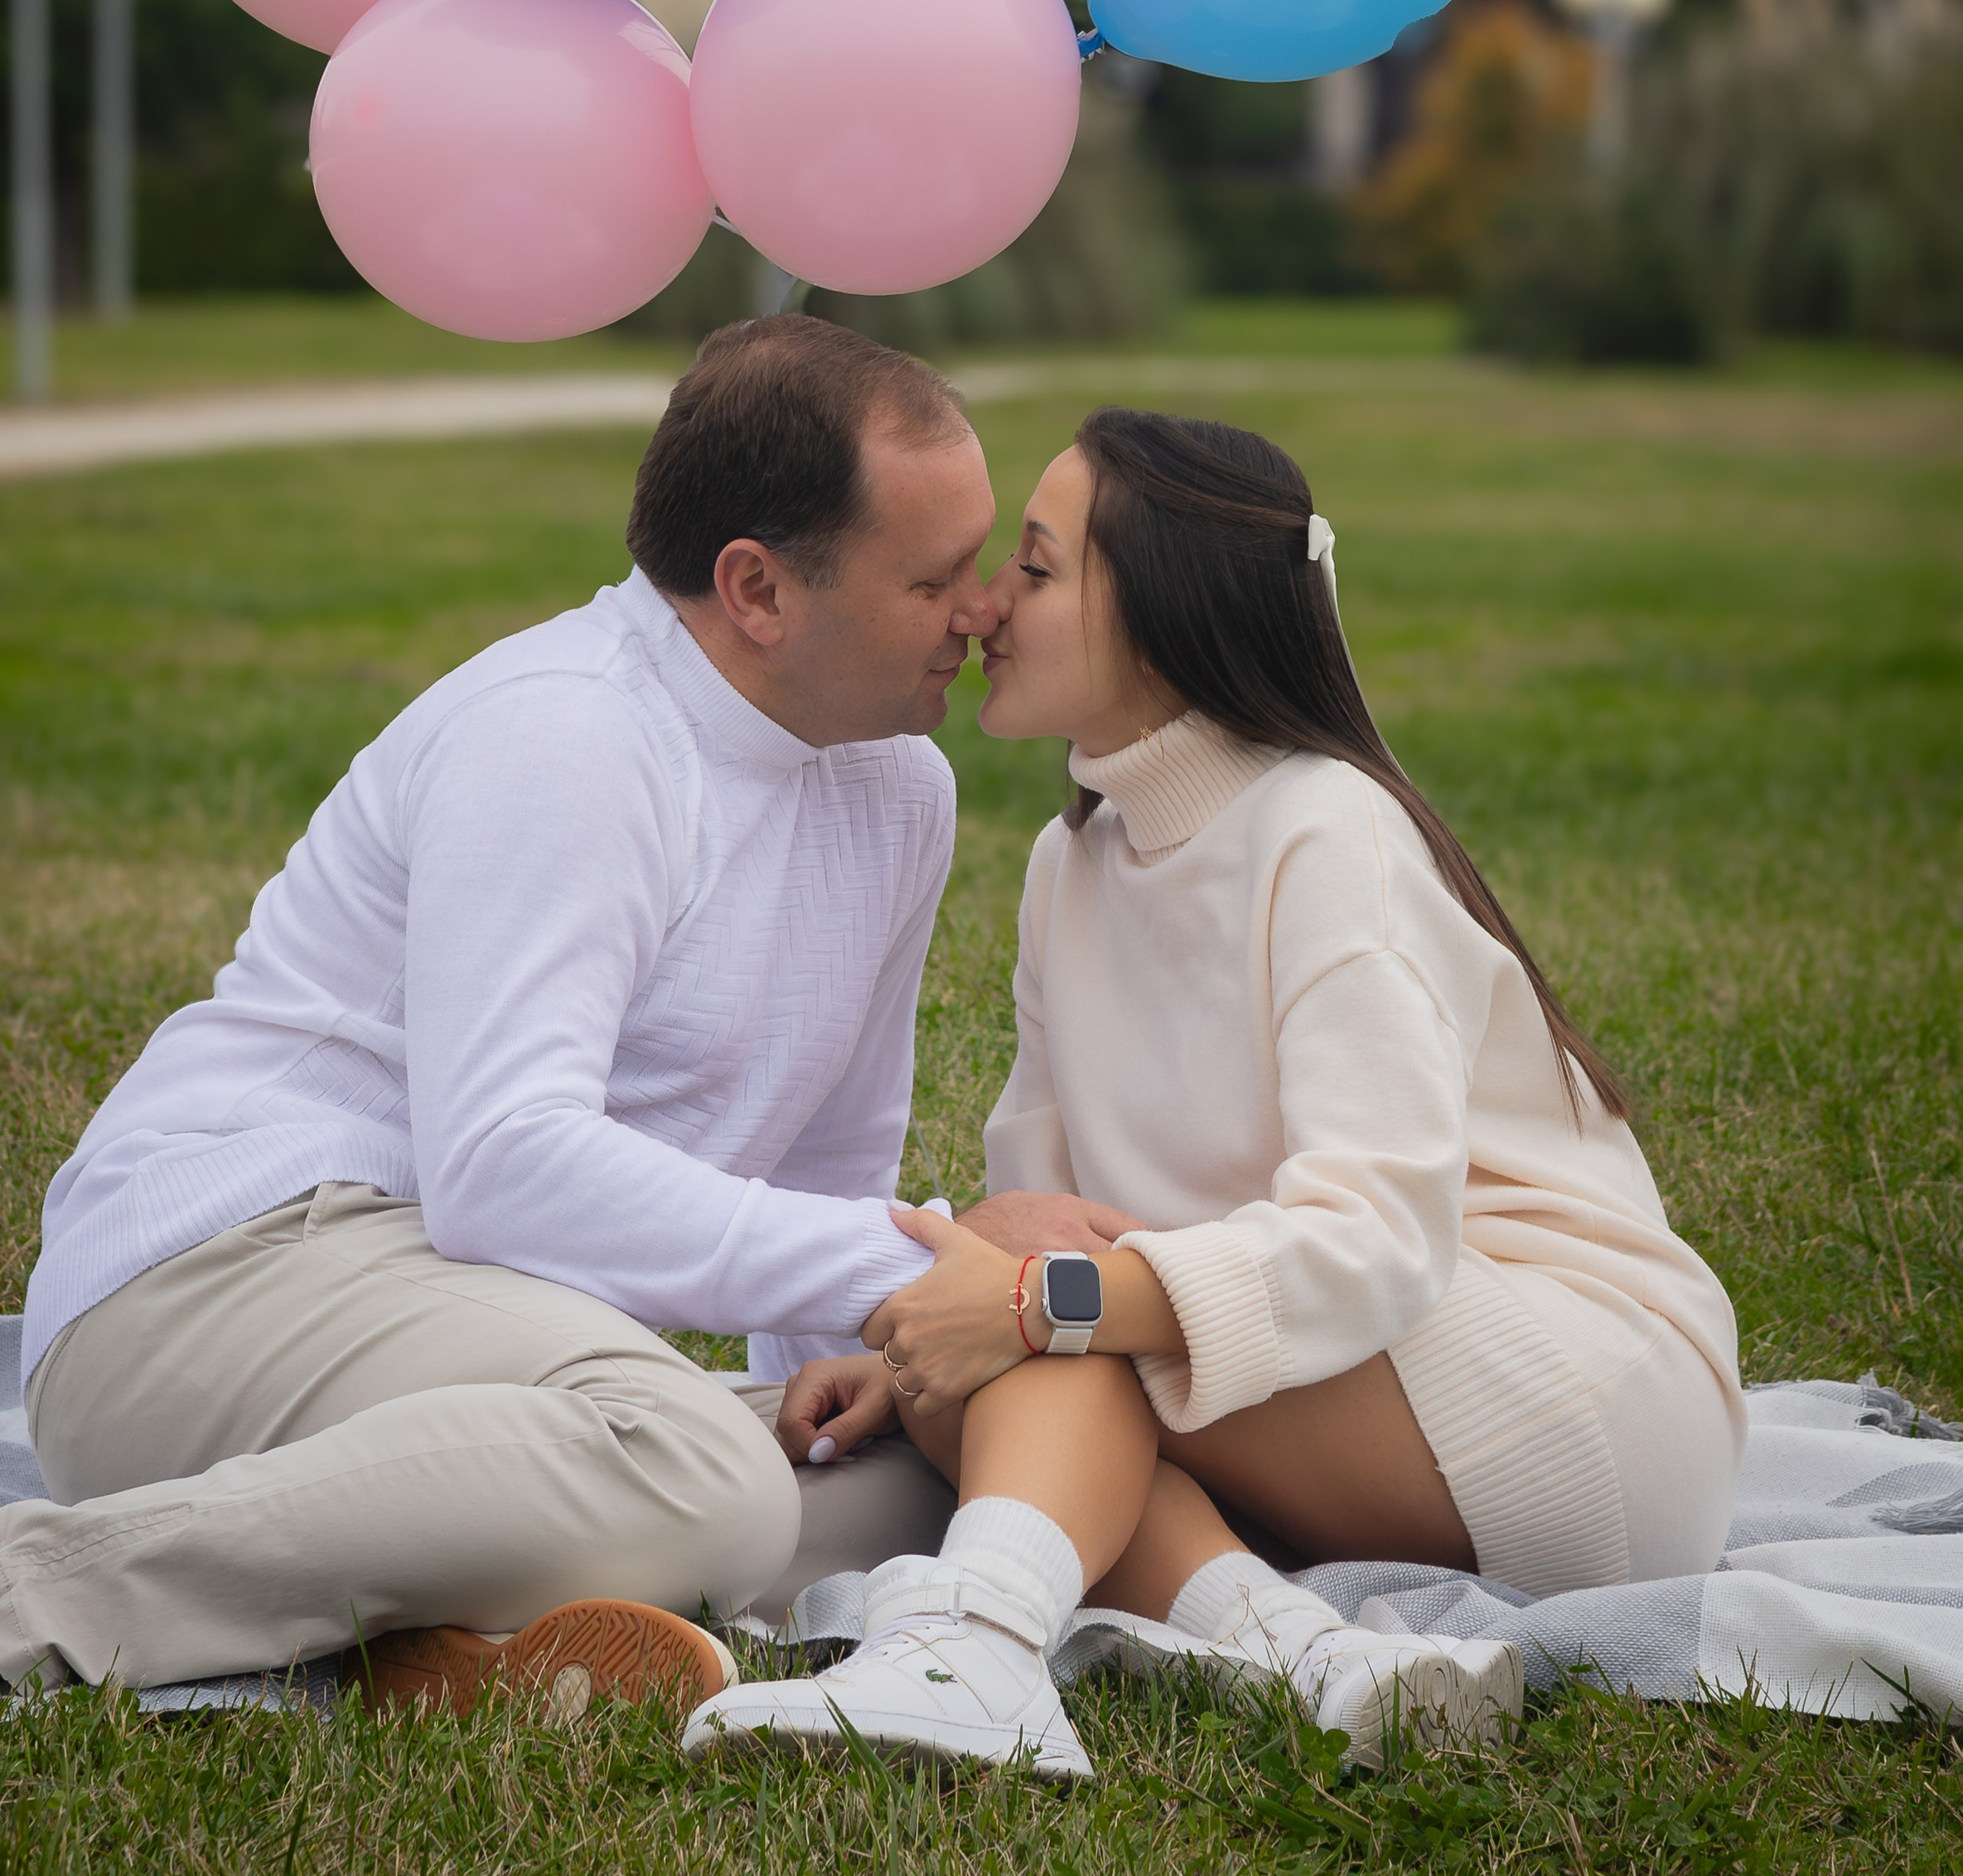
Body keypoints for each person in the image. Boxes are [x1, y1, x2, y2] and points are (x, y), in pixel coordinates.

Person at [0, 317, 986, 1715]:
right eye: (936, 578)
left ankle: (427, 1626)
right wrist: (904, 1272)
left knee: (951, 1466)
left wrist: (865, 1372)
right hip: (229, 1272)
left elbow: (828, 1168)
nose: (981, 612)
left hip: (466, 1325)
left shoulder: (897, 788)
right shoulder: (569, 733)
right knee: (702, 1476)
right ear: (756, 588)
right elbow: (504, 1167)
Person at [690, 408, 1744, 1778]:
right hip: (1343, 1382)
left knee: (1028, 1309)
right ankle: (1314, 1656)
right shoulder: (1074, 870)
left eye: (1039, 565)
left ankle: (972, 1645)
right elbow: (1042, 1211)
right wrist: (920, 1334)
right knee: (982, 1329)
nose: (988, 605)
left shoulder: (1326, 828)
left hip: (1567, 1395)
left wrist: (1020, 1303)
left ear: (1167, 610)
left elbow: (1377, 1239)